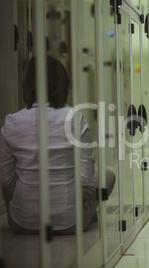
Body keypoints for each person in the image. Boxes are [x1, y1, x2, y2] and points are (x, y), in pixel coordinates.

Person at [0, 55, 115, 235]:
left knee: (10, 183)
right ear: (63, 84)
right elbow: (86, 177)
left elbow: (6, 180)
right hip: (70, 223)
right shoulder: (75, 119)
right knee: (107, 176)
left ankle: (25, 211)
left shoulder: (11, 123)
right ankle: (86, 212)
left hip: (21, 224)